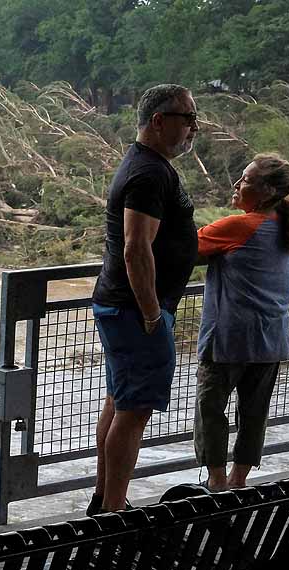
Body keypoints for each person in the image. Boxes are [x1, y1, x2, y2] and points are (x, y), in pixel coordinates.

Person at [90, 84, 200, 514]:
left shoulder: (150, 167)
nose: (194, 128)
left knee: (120, 403)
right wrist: (153, 313)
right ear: (158, 121)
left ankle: (104, 500)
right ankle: (114, 511)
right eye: (187, 118)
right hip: (136, 312)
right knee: (134, 411)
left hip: (126, 308)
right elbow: (136, 248)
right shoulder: (148, 174)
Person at [195, 154, 289, 491]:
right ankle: (239, 481)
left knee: (210, 408)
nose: (237, 184)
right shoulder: (286, 228)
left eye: (245, 180)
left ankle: (217, 483)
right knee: (254, 413)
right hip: (271, 340)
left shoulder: (239, 226)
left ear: (267, 191)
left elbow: (182, 248)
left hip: (229, 339)